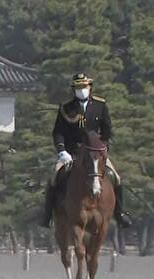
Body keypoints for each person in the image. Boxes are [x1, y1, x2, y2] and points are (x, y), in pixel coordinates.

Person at [41, 73, 133, 229]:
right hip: (73, 152)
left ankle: (120, 214)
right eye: (78, 87)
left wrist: (103, 147)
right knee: (54, 177)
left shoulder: (100, 105)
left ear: (90, 87)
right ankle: (48, 215)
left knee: (115, 177)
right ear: (73, 89)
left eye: (84, 86)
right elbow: (58, 132)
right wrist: (62, 151)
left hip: (95, 152)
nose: (81, 90)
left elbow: (107, 129)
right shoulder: (66, 108)